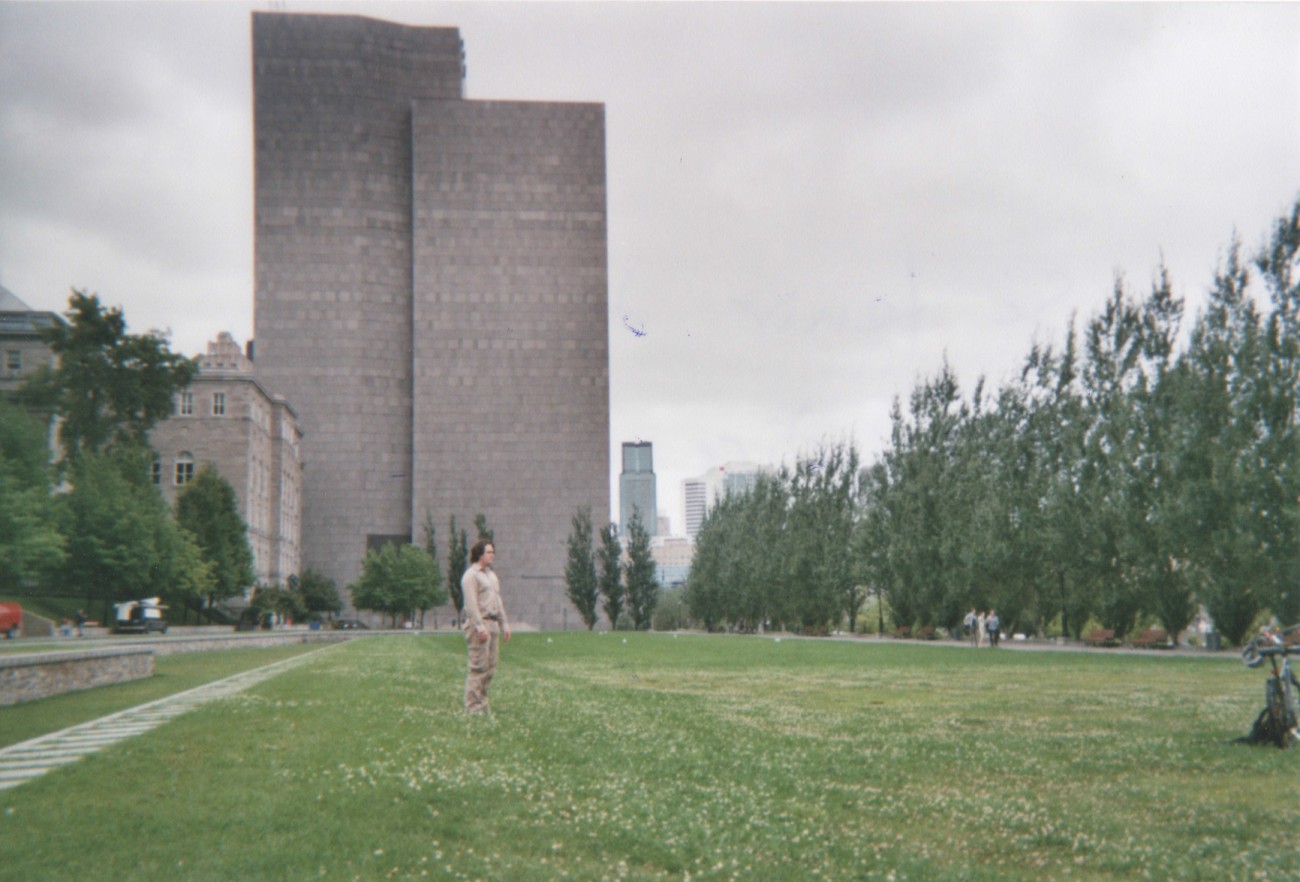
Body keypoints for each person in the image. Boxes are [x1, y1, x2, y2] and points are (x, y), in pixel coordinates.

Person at [461, 540, 511, 714]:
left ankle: (482, 704)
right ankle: (473, 708)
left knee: (490, 667)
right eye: (489, 552)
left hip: (492, 623)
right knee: (478, 667)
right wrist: (479, 627)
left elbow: (498, 602)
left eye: (493, 552)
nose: (492, 555)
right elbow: (471, 605)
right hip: (478, 625)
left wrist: (504, 623)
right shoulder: (471, 576)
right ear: (480, 554)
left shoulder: (491, 575)